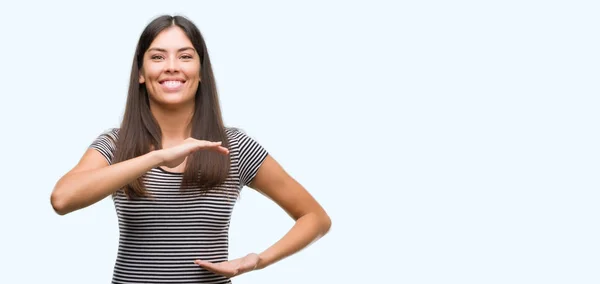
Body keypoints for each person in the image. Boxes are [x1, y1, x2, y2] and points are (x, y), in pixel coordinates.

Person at [50, 14, 331, 284]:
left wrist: (258, 260)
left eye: (185, 56)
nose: (172, 66)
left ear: (201, 72)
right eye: (158, 56)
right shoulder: (116, 145)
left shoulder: (234, 147)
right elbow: (62, 199)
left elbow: (315, 218)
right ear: (141, 73)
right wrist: (157, 156)